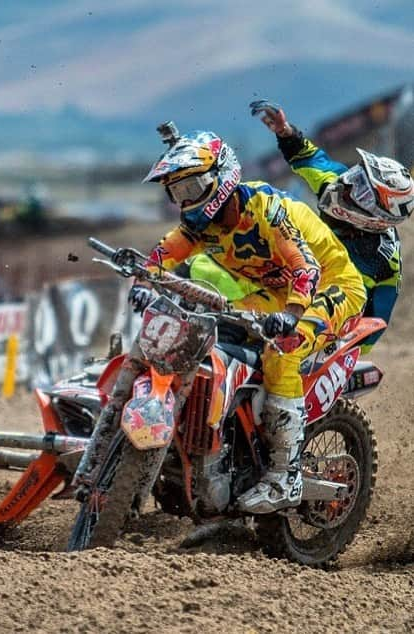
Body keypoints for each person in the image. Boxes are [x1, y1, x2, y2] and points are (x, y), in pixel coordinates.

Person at [129, 125, 367, 513]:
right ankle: (225, 441)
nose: (185, 199)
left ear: (220, 178)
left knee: (283, 350)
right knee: (208, 330)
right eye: (177, 191)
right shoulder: (200, 225)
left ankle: (284, 474)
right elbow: (163, 254)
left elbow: (305, 267)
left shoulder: (266, 210)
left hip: (331, 285)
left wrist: (291, 317)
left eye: (191, 187)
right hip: (278, 292)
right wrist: (143, 281)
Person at [249, 100, 414, 352]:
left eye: (363, 190)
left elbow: (376, 322)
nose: (350, 184)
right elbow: (308, 157)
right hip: (290, 269)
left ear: (377, 215)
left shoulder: (381, 260)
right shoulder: (338, 185)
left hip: (328, 322)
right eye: (359, 176)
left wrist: (342, 348)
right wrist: (284, 130)